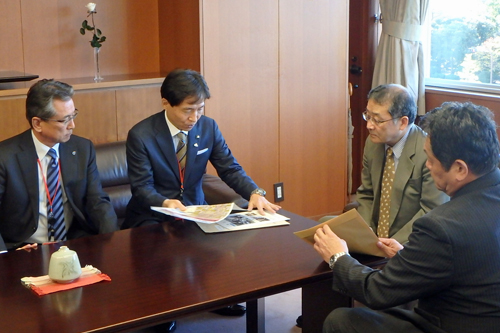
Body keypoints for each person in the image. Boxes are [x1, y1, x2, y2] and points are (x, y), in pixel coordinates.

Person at [313, 101, 500, 333]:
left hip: (448, 324)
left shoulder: (441, 226)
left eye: (431, 160)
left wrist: (337, 256)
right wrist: (409, 255)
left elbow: (376, 291)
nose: (428, 167)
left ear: (460, 169)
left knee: (341, 320)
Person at [123, 68, 281, 330]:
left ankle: (213, 296)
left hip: (197, 210)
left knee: (238, 240)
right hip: (152, 216)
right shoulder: (141, 135)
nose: (194, 117)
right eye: (188, 110)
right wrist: (165, 203)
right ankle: (163, 310)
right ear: (166, 103)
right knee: (161, 255)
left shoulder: (208, 127)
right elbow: (141, 188)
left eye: (200, 108)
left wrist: (255, 192)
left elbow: (229, 167)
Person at [0, 79, 118, 253]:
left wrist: (114, 241)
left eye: (73, 116)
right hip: (23, 249)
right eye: (64, 120)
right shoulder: (5, 157)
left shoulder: (82, 149)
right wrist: (4, 257)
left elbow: (97, 201)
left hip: (73, 245)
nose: (72, 125)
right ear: (37, 123)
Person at [321, 84, 448, 244]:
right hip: (375, 235)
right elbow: (367, 193)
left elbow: (431, 211)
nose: (369, 125)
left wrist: (392, 244)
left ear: (402, 122)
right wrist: (366, 232)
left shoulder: (429, 152)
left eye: (378, 120)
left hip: (407, 241)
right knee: (323, 226)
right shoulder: (374, 143)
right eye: (368, 116)